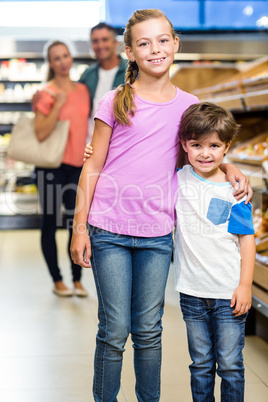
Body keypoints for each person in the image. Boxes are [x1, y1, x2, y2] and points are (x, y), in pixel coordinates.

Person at [70, 9, 252, 401]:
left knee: (150, 330)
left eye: (163, 40)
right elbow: (93, 163)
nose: (156, 49)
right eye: (144, 43)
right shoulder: (116, 100)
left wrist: (232, 165)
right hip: (109, 229)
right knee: (115, 330)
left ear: (176, 44)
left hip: (156, 234)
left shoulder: (188, 106)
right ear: (130, 53)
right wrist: (79, 226)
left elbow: (200, 151)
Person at [174, 102, 255, 401]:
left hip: (228, 292)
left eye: (214, 146)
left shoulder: (235, 190)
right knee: (201, 365)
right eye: (196, 145)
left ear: (227, 146)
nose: (205, 153)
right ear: (184, 145)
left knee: (232, 365)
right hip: (192, 293)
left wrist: (245, 285)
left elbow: (246, 239)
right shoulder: (178, 179)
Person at [34, 41, 90, 297]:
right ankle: (57, 280)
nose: (62, 62)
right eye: (56, 58)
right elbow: (41, 133)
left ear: (71, 58)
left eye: (65, 56)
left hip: (77, 166)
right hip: (51, 167)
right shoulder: (45, 93)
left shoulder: (82, 90)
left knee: (75, 223)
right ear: (51, 63)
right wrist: (56, 104)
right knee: (49, 222)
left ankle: (77, 279)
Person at [79, 22, 127, 138]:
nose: (100, 45)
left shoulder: (131, 72)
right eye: (95, 41)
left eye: (105, 39)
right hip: (91, 142)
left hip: (119, 141)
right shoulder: (88, 74)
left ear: (115, 42)